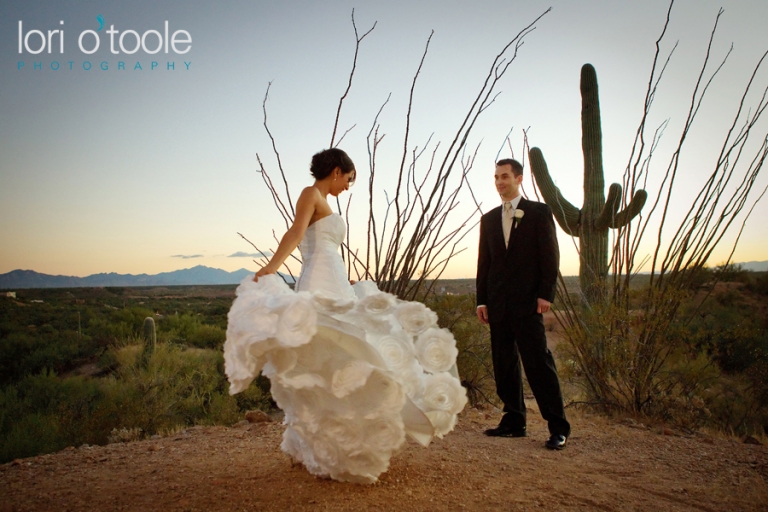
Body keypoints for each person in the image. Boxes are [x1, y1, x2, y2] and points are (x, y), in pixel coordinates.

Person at [224, 148, 467, 483]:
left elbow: (326, 248)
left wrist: (346, 279)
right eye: (349, 179)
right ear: (337, 171)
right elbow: (296, 233)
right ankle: (323, 441)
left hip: (334, 277)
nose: (349, 187)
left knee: (347, 349)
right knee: (326, 353)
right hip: (318, 281)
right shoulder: (311, 193)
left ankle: (341, 437)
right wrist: (271, 268)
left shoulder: (323, 199)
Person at [475, 158, 570, 450]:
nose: (499, 182)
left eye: (504, 176)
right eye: (496, 177)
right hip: (498, 304)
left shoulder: (539, 212)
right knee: (504, 364)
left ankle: (558, 427)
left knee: (538, 364)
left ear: (519, 179)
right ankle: (514, 421)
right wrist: (482, 300)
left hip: (528, 302)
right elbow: (485, 263)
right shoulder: (488, 219)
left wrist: (546, 294)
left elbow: (549, 255)